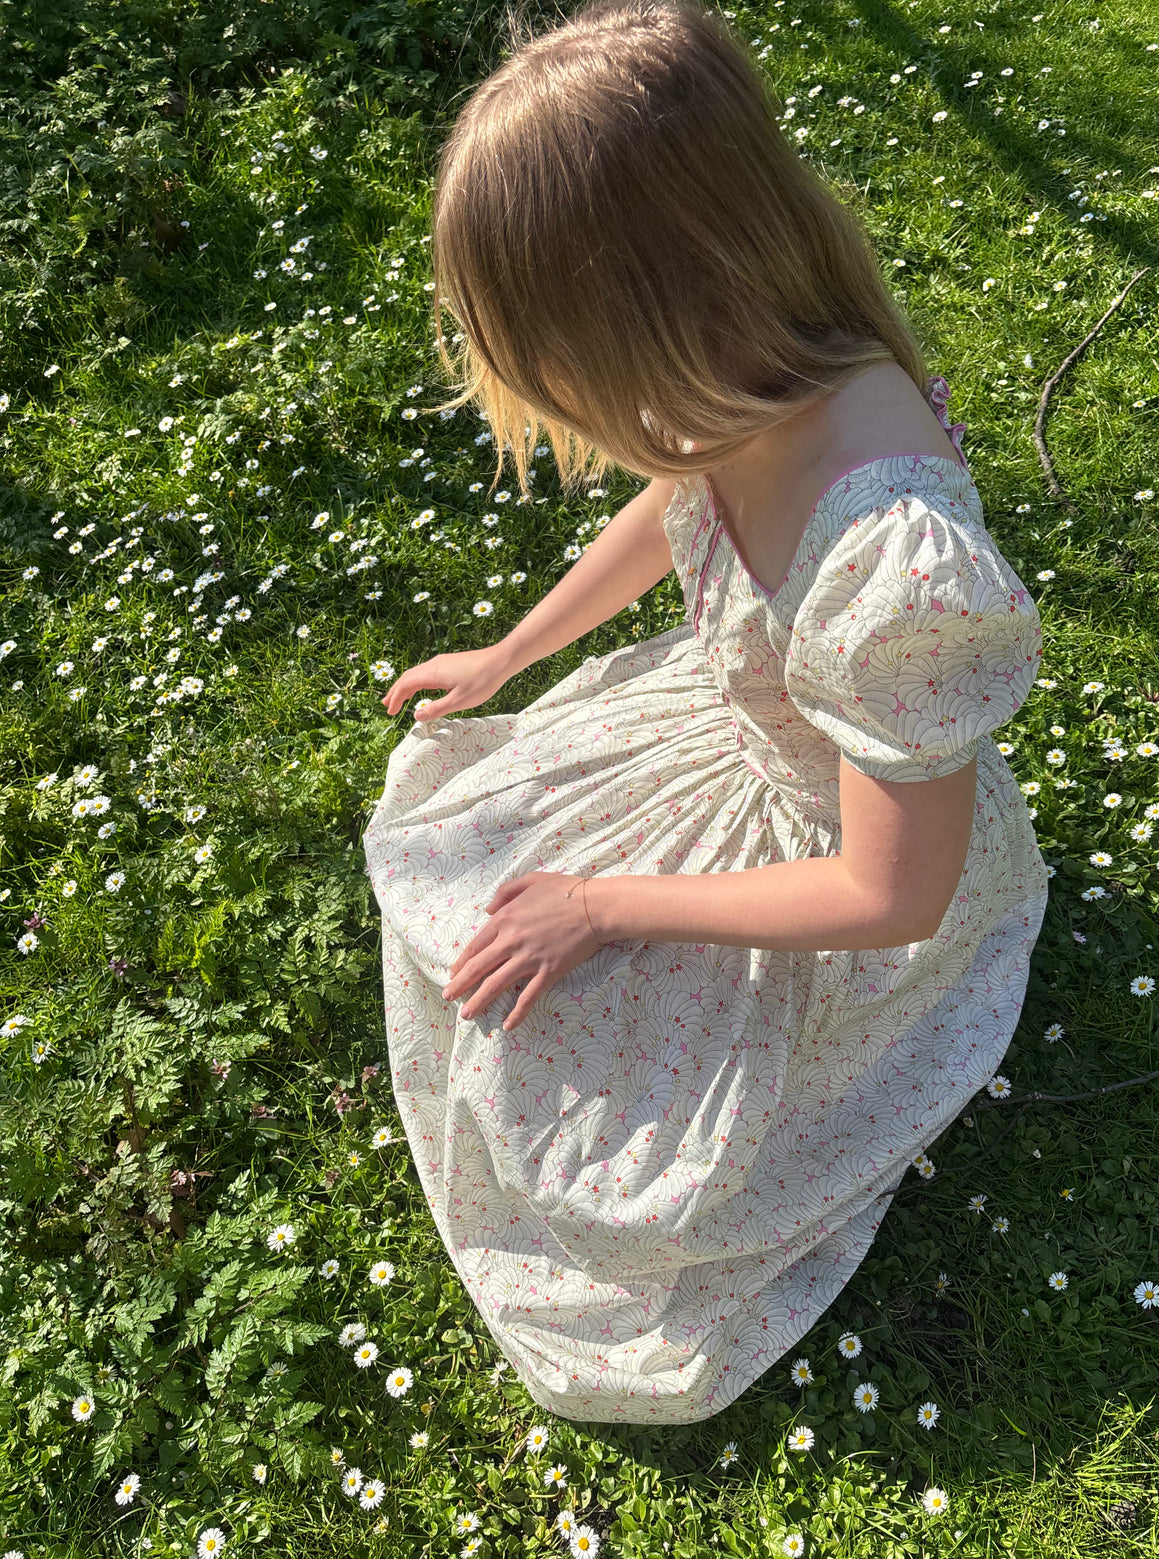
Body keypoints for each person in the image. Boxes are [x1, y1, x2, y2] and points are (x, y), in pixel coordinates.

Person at [363, 0, 1047, 1425]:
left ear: (649, 308)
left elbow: (892, 888)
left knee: (579, 1142)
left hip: (835, 870)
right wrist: (511, 651)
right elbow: (685, 503)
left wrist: (613, 908)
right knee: (465, 884)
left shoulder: (895, 571)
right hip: (732, 745)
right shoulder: (751, 373)